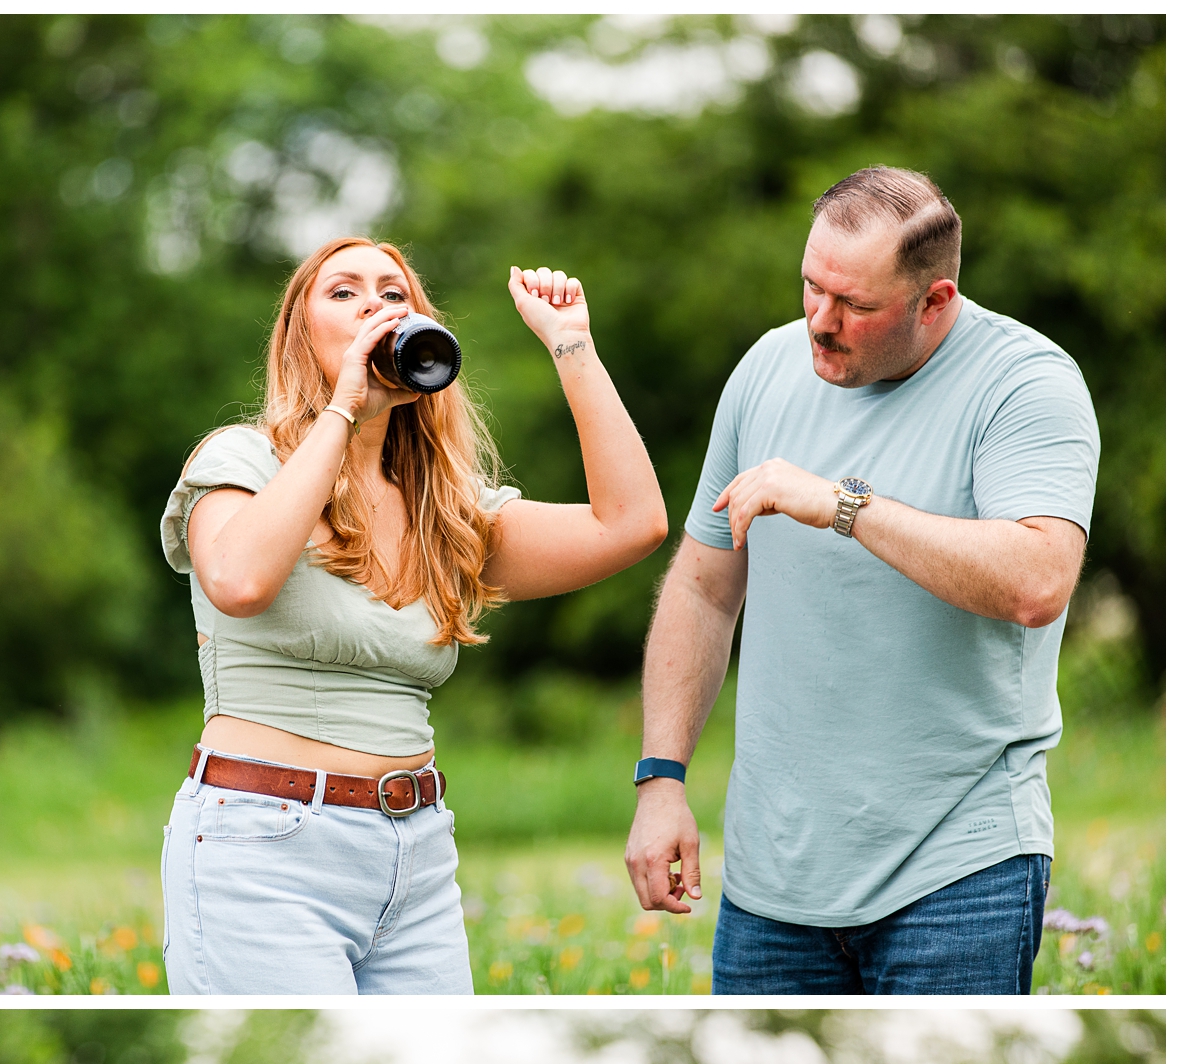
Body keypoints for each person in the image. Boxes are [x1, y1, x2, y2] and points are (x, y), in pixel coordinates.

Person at [626, 166, 1100, 995]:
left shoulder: (1027, 384)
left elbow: (1038, 581)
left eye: (855, 307)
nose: (820, 322)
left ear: (936, 301)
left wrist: (840, 504)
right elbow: (703, 590)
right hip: (770, 889)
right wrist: (661, 779)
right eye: (811, 287)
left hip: (959, 875)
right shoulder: (766, 370)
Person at [160, 235, 667, 995]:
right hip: (264, 845)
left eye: (394, 295)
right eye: (344, 292)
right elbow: (238, 580)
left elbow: (630, 526)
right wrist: (341, 409)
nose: (375, 304)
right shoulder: (242, 460)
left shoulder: (447, 511)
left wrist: (572, 346)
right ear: (300, 336)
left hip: (415, 854)